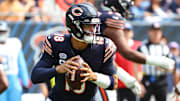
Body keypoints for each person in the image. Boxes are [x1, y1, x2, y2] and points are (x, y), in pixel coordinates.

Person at [31, 3, 118, 101]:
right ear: (74, 26)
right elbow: (35, 76)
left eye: (94, 25)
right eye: (87, 25)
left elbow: (113, 84)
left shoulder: (103, 46)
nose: (92, 30)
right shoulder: (57, 43)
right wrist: (58, 69)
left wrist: (93, 76)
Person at [137, 22, 173, 101]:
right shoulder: (142, 47)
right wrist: (138, 82)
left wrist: (163, 68)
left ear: (161, 33)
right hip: (146, 78)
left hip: (161, 80)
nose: (156, 33)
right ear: (149, 32)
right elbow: (135, 64)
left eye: (158, 31)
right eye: (154, 31)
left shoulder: (165, 48)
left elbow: (171, 68)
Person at [0, 21, 29, 101]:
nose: (1, 34)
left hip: (13, 79)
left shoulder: (14, 43)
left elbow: (21, 64)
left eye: (3, 32)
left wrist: (25, 82)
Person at [115, 22, 143, 101]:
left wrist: (139, 81)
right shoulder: (115, 46)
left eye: (128, 31)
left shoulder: (138, 45)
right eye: (124, 31)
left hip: (133, 83)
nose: (126, 34)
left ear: (132, 33)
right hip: (119, 84)